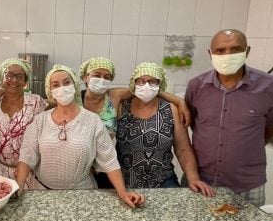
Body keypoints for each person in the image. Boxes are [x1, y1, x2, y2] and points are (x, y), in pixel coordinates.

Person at [16, 65, 145, 207]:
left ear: (75, 85)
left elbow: (109, 160)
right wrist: (19, 185)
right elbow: (27, 155)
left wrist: (122, 192)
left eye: (66, 83)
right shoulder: (40, 120)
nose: (62, 88)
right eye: (56, 85)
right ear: (50, 91)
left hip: (82, 195)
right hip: (42, 193)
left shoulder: (92, 121)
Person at [185, 29, 273, 206]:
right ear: (210, 54)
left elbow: (270, 129)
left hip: (246, 185)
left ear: (247, 51)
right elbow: (195, 124)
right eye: (220, 50)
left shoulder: (271, 87)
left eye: (235, 49)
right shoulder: (196, 86)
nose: (227, 55)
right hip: (200, 180)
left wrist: (241, 148)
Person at [78, 56, 193, 188]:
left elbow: (144, 90)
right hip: (83, 166)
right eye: (96, 75)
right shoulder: (75, 99)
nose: (101, 80)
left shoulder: (114, 97)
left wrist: (180, 101)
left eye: (107, 77)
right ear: (85, 77)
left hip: (114, 170)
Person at [117, 62, 215, 195]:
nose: (146, 86)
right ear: (133, 84)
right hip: (124, 183)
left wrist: (193, 179)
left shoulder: (171, 110)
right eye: (141, 81)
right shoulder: (121, 108)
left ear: (160, 85)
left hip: (164, 181)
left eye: (152, 82)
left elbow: (183, 150)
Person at [0, 58, 47, 186]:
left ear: (25, 81)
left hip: (30, 172)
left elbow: (58, 104)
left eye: (19, 76)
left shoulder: (35, 102)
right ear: (2, 77)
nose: (14, 80)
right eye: (9, 75)